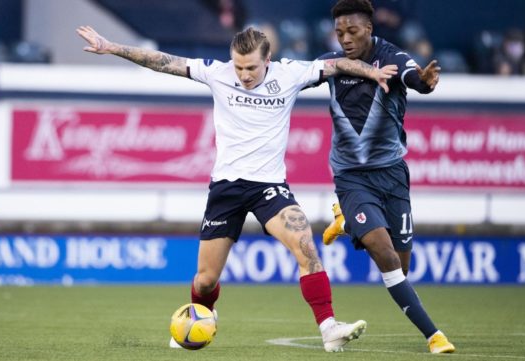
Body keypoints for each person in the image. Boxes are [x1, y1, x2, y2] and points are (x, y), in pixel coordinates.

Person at [76, 25, 397, 352]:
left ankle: (329, 329)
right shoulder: (217, 73)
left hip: (269, 187)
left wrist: (372, 72)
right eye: (239, 66)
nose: (243, 75)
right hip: (227, 188)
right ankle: (199, 318)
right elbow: (163, 61)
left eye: (251, 68)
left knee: (307, 249)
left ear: (268, 59)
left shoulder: (291, 74)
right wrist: (111, 47)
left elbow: (337, 65)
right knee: (205, 280)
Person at [316, 0, 455, 354]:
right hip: (351, 176)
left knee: (400, 265)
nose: (345, 38)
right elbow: (293, 77)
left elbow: (412, 76)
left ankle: (347, 223)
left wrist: (422, 82)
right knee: (384, 256)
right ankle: (433, 335)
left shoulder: (393, 57)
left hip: (392, 175)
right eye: (339, 32)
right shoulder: (331, 64)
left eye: (352, 31)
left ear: (369, 30)